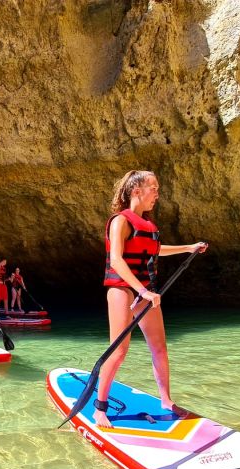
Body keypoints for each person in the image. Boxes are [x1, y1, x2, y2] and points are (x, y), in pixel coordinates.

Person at [94, 170, 208, 428]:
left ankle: (166, 400)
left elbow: (157, 250)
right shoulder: (120, 221)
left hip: (145, 291)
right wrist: (142, 291)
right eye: (153, 188)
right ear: (136, 191)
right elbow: (116, 260)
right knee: (120, 350)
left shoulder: (150, 226)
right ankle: (100, 408)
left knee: (159, 348)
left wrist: (189, 248)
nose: (157, 194)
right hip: (123, 289)